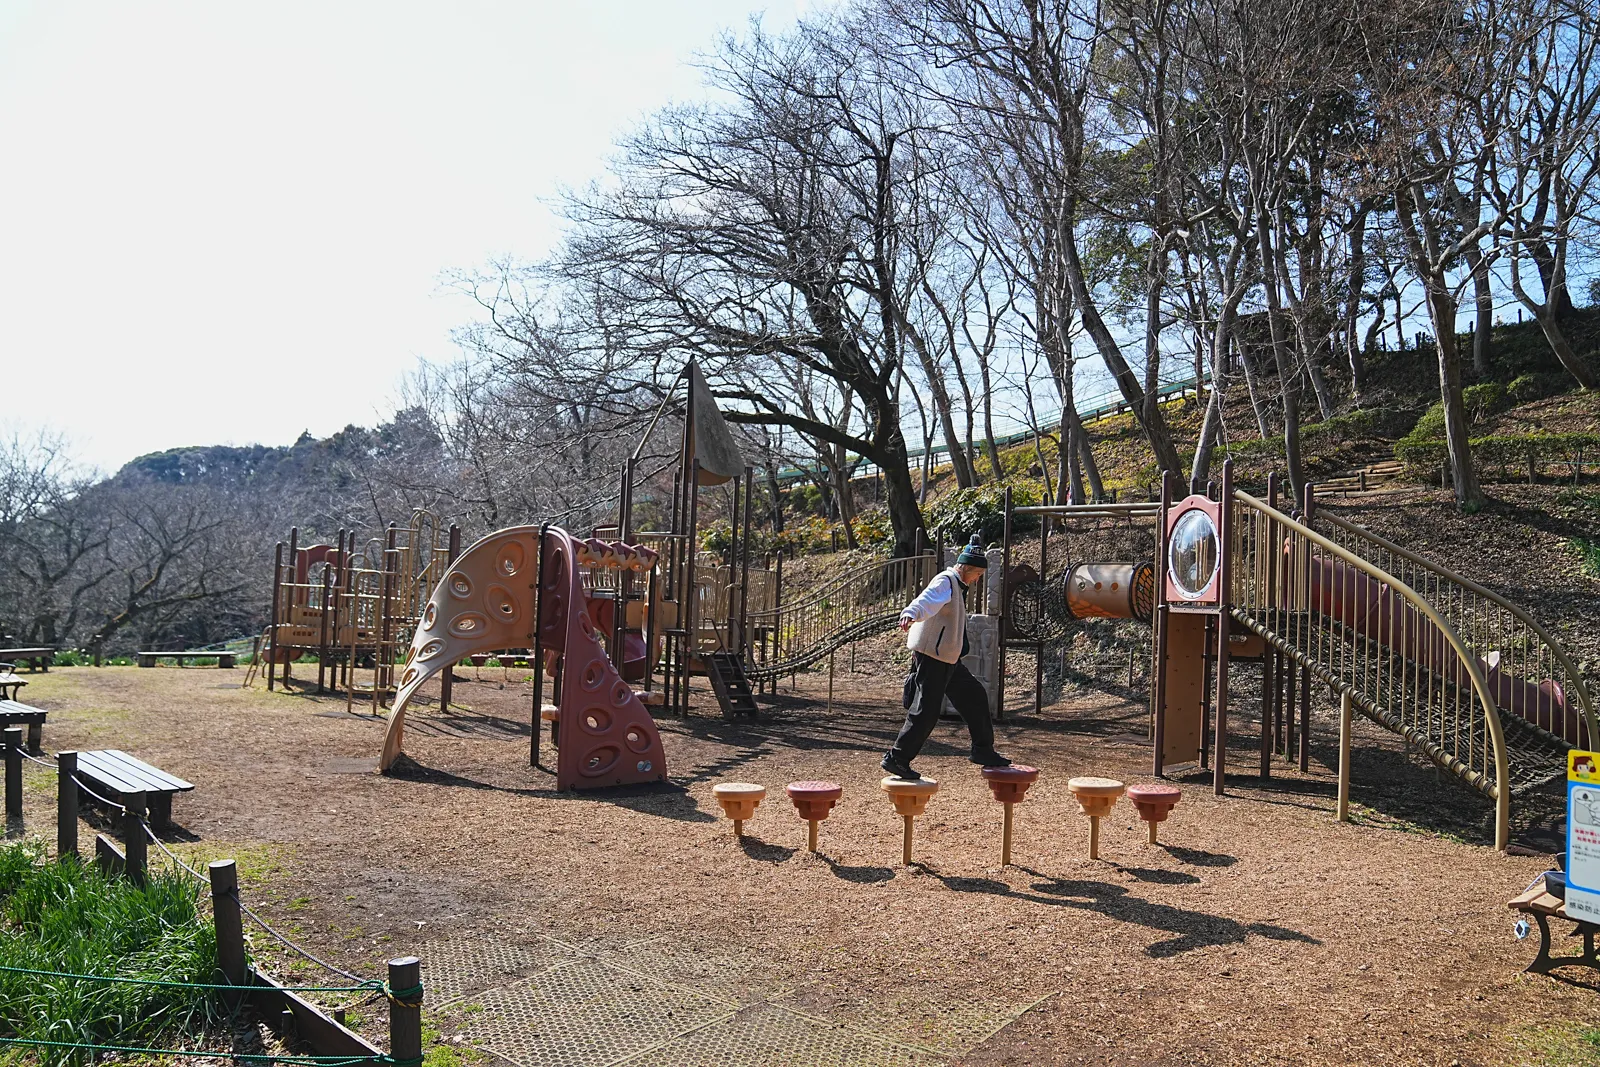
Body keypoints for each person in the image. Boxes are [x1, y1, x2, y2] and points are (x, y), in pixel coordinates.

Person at [881, 534, 1010, 780]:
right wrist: (910, 612)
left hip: (948, 658)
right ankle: (896, 758)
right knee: (926, 711)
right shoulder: (946, 581)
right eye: (978, 575)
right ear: (967, 568)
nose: (978, 579)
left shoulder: (956, 584)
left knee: (975, 697)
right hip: (933, 656)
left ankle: (983, 750)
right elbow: (926, 600)